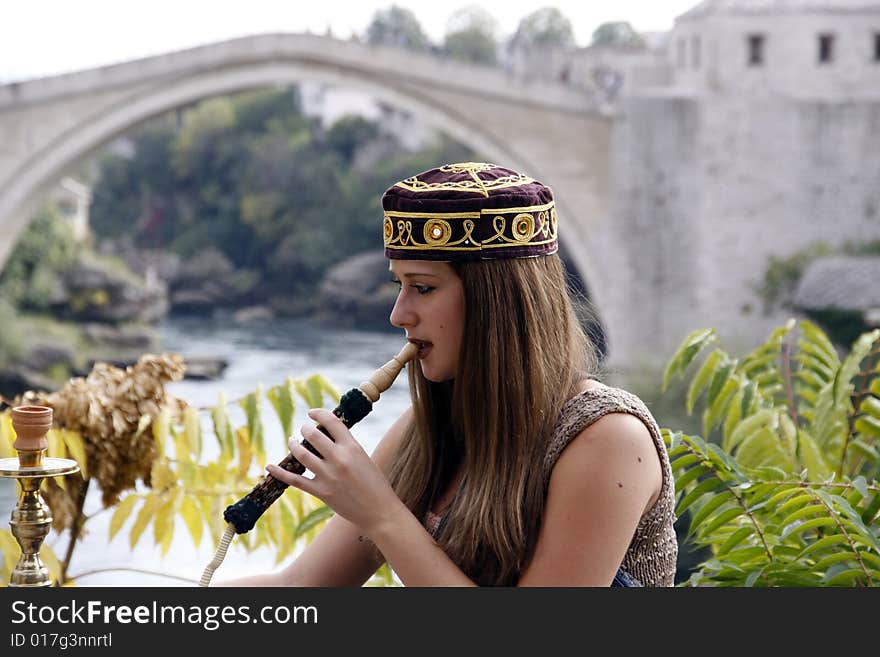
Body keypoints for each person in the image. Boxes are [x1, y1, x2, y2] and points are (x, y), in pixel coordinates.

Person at [219, 162, 677, 587]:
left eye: (423, 288)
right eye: (400, 286)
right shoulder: (429, 429)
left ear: (499, 303)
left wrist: (382, 514)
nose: (399, 315)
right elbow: (299, 587)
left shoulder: (608, 439)